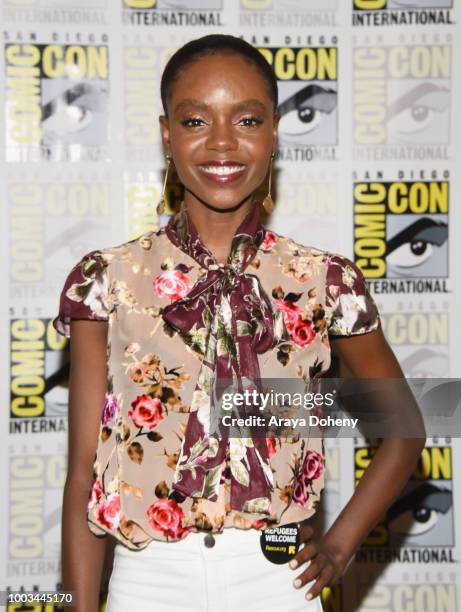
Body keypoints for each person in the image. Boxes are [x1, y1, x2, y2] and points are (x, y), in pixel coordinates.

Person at [54, 35, 426, 612]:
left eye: (247, 119)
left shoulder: (326, 281)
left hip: (277, 578)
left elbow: (403, 431)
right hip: (145, 581)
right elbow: (84, 473)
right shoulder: (108, 279)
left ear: (274, 132)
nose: (222, 142)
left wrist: (340, 544)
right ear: (166, 135)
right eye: (196, 119)